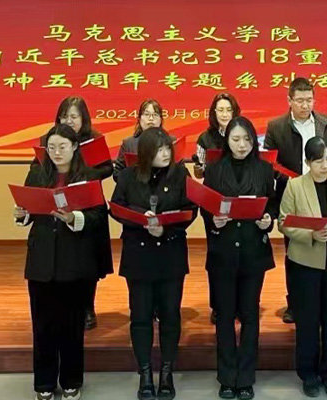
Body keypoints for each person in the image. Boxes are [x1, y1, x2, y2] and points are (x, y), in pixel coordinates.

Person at [15, 124, 111, 400]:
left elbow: (98, 216)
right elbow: (29, 210)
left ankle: (71, 380)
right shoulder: (37, 174)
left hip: (75, 260)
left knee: (71, 325)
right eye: (52, 147)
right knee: (42, 325)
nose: (57, 152)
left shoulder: (88, 176)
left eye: (62, 147)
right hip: (42, 259)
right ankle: (44, 382)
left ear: (75, 147)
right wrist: (22, 214)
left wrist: (73, 218)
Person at [111, 127, 197, 400]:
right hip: (139, 255)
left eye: (168, 148)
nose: (165, 154)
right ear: (146, 152)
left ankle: (167, 372)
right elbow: (116, 207)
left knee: (170, 315)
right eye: (159, 150)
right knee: (140, 316)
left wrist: (165, 228)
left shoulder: (180, 174)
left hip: (171, 253)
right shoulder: (128, 176)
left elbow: (190, 209)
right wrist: (141, 217)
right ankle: (145, 373)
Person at [201, 116, 276, 400]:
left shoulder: (264, 169)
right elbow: (206, 207)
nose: (242, 145)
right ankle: (226, 376)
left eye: (247, 139)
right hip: (223, 253)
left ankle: (245, 377)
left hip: (253, 251)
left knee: (249, 315)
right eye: (236, 139)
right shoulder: (214, 170)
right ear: (227, 141)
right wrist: (214, 220)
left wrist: (268, 220)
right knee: (224, 317)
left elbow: (272, 205)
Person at [265, 77, 327, 324]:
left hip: (323, 189)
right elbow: (269, 162)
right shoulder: (276, 126)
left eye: (309, 100)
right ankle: (295, 303)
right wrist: (289, 180)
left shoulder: (326, 123)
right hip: (293, 193)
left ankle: (323, 300)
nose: (305, 105)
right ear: (289, 100)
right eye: (300, 100)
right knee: (295, 249)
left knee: (326, 245)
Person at [278, 137, 327, 398]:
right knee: (308, 320)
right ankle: (308, 373)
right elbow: (284, 222)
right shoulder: (295, 186)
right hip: (305, 263)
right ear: (308, 162)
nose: (325, 165)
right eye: (319, 160)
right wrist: (311, 234)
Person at [38, 96, 114, 331]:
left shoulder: (95, 139)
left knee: (89, 261)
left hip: (87, 204)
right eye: (64, 116)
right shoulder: (49, 139)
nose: (69, 121)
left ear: (84, 119)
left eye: (74, 116)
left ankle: (87, 307)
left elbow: (108, 168)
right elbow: (37, 167)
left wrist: (83, 172)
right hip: (55, 209)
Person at [194, 93, 241, 325]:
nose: (224, 114)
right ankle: (218, 305)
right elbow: (199, 171)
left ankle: (239, 303)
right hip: (213, 201)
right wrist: (200, 167)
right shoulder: (205, 138)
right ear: (213, 113)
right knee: (216, 256)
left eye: (228, 110)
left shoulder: (242, 133)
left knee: (239, 254)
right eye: (220, 110)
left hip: (239, 198)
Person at [113, 99, 164, 181]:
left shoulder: (171, 142)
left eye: (155, 115)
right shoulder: (128, 144)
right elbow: (117, 174)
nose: (151, 118)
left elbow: (181, 173)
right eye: (147, 114)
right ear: (139, 119)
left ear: (161, 120)